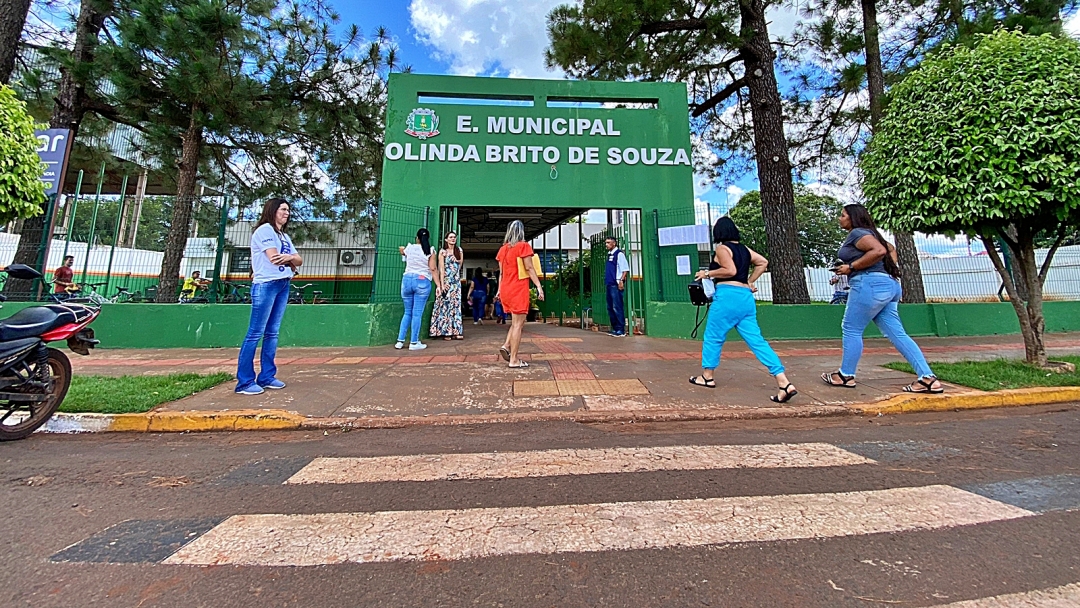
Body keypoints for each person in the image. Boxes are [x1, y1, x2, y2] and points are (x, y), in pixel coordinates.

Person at [821, 204, 943, 393]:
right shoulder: (871, 233)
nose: (840, 218)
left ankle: (846, 375)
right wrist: (887, 270)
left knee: (851, 328)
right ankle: (927, 378)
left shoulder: (857, 233)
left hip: (868, 285)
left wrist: (851, 267)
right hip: (889, 285)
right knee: (897, 333)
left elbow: (879, 251)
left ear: (853, 217)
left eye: (843, 215)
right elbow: (890, 248)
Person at [689, 217, 798, 403]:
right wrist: (750, 281)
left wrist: (706, 273)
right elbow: (763, 262)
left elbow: (729, 270)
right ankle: (783, 382)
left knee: (713, 337)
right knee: (757, 341)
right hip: (745, 299)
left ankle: (707, 376)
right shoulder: (745, 250)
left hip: (727, 297)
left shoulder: (722, 248)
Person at [236, 198, 302, 395]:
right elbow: (273, 258)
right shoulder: (265, 230)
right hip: (266, 284)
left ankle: (266, 376)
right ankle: (245, 381)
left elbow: (299, 259)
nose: (286, 213)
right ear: (272, 210)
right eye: (283, 209)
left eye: (288, 210)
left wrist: (290, 258)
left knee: (272, 333)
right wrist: (290, 259)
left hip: (283, 283)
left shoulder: (282, 235)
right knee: (255, 332)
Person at [495, 220, 544, 367]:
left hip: (505, 288)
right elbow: (529, 268)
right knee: (518, 325)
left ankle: (506, 345)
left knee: (516, 322)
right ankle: (514, 360)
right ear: (522, 231)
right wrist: (539, 286)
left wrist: (498, 290)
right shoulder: (524, 246)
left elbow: (501, 274)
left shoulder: (502, 249)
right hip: (518, 288)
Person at [396, 228, 436, 351]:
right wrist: (439, 284)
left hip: (407, 280)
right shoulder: (430, 250)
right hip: (422, 281)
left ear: (417, 238)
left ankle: (400, 341)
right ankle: (414, 342)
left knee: (407, 312)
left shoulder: (410, 248)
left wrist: (403, 252)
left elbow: (401, 249)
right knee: (417, 314)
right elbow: (433, 268)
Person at [430, 231, 464, 340]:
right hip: (447, 281)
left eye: (454, 237)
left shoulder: (459, 250)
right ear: (446, 239)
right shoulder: (442, 252)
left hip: (456, 282)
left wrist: (457, 260)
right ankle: (446, 331)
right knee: (446, 305)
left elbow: (460, 264)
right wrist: (442, 284)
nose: (453, 239)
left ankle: (456, 331)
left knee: (456, 305)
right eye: (450, 237)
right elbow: (441, 269)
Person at [603, 236, 631, 337]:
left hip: (616, 284)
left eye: (608, 242)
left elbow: (625, 269)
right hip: (609, 284)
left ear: (614, 243)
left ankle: (621, 329)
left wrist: (621, 281)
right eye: (606, 242)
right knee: (610, 307)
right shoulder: (609, 254)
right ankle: (615, 328)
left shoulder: (619, 254)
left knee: (617, 306)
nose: (606, 244)